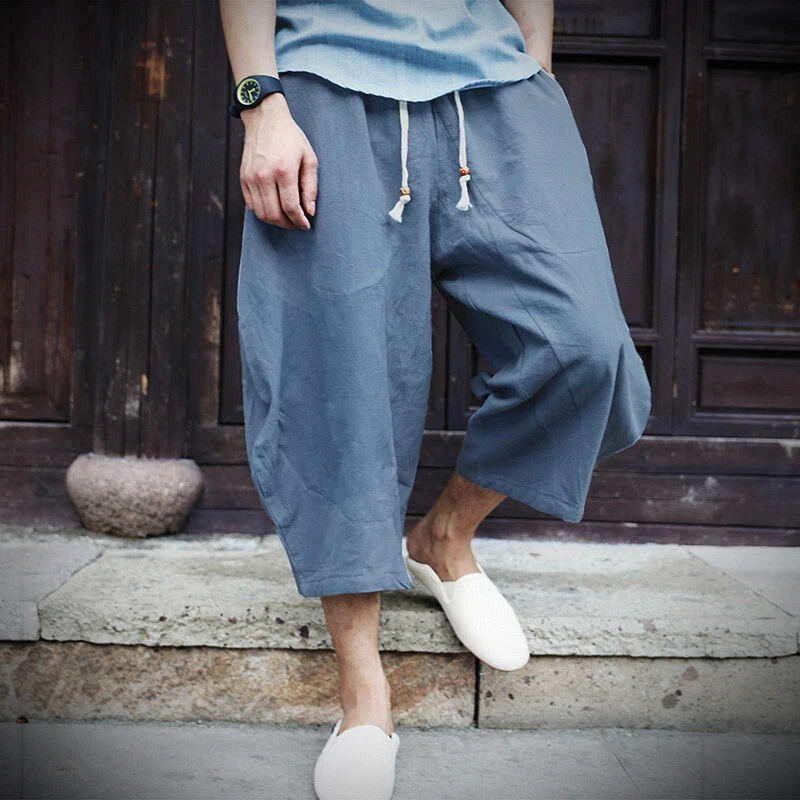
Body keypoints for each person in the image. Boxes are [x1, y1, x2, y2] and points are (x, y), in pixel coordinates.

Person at [220, 2, 652, 797]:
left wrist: (537, 67)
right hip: (327, 82)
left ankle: (443, 536)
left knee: (583, 346)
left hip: (496, 84)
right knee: (338, 380)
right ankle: (363, 693)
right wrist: (260, 99)